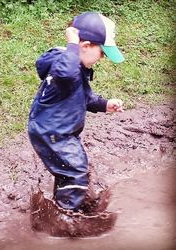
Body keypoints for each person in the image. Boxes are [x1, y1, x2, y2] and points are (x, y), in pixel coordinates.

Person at [28, 12, 124, 212]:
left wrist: (105, 104)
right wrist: (72, 44)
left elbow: (86, 97)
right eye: (102, 52)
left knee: (69, 170)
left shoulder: (75, 67)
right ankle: (66, 217)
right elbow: (65, 73)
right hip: (52, 132)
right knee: (76, 171)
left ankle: (61, 204)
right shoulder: (64, 65)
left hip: (62, 132)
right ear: (86, 46)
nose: (102, 58)